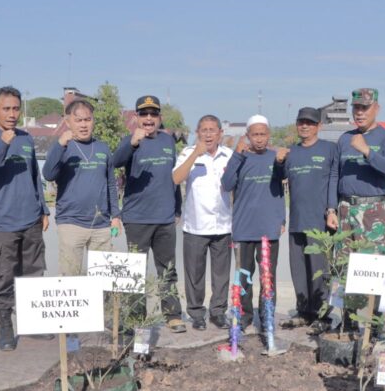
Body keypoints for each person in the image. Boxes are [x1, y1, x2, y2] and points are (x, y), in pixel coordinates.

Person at [0, 86, 50, 351]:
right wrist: (2, 145)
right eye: (6, 109)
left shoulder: (27, 139)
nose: (11, 114)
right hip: (2, 225)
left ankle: (33, 325)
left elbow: (34, 177)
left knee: (32, 273)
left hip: (30, 221)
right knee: (4, 277)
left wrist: (43, 209)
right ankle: (5, 328)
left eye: (16, 108)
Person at [112, 95, 186, 333]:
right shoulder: (130, 141)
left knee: (168, 269)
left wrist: (176, 207)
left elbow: (173, 178)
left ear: (159, 118)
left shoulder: (167, 142)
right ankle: (135, 316)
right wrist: (132, 143)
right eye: (144, 114)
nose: (149, 118)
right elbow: (115, 161)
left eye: (153, 114)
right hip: (137, 219)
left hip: (164, 218)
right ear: (136, 117)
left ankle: (172, 314)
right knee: (135, 272)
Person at [220, 114, 287, 332]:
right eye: (255, 134)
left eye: (263, 134)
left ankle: (267, 315)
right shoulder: (240, 158)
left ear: (269, 135)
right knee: (243, 276)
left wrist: (282, 219)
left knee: (268, 276)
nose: (259, 138)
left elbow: (284, 188)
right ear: (248, 136)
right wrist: (237, 155)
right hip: (243, 228)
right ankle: (244, 315)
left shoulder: (276, 157)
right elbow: (227, 184)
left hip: (269, 228)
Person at [42, 99, 121, 276]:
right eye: (78, 120)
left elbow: (110, 184)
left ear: (93, 121)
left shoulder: (102, 148)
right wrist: (60, 144)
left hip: (101, 224)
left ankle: (102, 305)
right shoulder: (63, 147)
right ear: (68, 122)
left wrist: (115, 215)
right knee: (71, 278)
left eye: (88, 119)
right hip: (71, 223)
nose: (84, 125)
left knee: (103, 279)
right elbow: (48, 174)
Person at [172, 115, 233, 331]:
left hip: (223, 225)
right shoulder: (188, 153)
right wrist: (195, 155)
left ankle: (218, 312)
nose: (208, 134)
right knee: (194, 274)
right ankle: (196, 313)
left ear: (220, 133)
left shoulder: (229, 155)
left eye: (212, 130)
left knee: (221, 274)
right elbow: (176, 179)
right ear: (197, 133)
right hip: (195, 225)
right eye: (204, 130)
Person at [283, 107, 338, 328]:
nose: (305, 126)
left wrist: (331, 209)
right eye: (301, 122)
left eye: (310, 122)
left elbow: (334, 179)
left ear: (319, 126)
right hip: (297, 219)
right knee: (298, 269)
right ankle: (304, 310)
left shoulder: (329, 149)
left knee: (320, 270)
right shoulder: (290, 153)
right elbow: (278, 180)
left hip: (320, 221)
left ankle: (323, 314)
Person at [331, 88, 385, 256]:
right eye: (356, 108)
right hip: (345, 210)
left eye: (365, 108)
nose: (360, 113)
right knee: (342, 268)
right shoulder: (345, 138)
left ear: (377, 108)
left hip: (373, 211)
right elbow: (334, 175)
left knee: (372, 270)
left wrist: (367, 151)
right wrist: (331, 209)